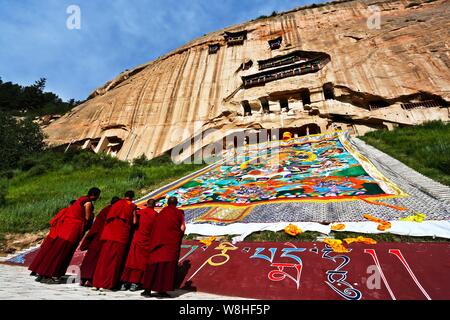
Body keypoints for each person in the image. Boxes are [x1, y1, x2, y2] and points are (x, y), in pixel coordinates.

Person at [34, 188, 101, 284]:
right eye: (98, 195)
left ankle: (44, 274)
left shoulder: (80, 199)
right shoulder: (88, 203)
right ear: (95, 195)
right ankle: (47, 275)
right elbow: (87, 218)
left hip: (65, 229)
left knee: (56, 252)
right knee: (61, 253)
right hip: (72, 231)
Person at [141, 196, 185, 298]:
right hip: (170, 245)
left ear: (167, 203)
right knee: (166, 268)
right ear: (176, 203)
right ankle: (162, 291)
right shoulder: (179, 213)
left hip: (157, 244)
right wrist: (179, 236)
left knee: (154, 266)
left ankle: (147, 290)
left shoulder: (161, 213)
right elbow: (182, 227)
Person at [92, 190, 137, 290]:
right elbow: (134, 221)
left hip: (108, 234)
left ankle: (96, 284)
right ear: (132, 197)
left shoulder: (116, 204)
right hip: (121, 235)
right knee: (114, 261)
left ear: (124, 196)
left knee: (103, 260)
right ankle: (107, 285)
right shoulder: (131, 206)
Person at [79, 196, 120, 287]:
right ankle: (89, 279)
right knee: (97, 259)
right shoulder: (112, 210)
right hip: (103, 238)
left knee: (90, 257)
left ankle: (83, 278)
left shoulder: (105, 209)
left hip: (96, 236)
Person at [28, 200, 76, 277]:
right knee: (46, 253)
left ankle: (36, 270)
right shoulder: (66, 211)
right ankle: (38, 270)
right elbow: (53, 221)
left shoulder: (68, 212)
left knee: (45, 253)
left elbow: (53, 221)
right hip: (57, 235)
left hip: (56, 235)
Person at [120, 199, 158, 291]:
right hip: (147, 241)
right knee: (140, 263)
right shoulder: (156, 215)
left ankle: (124, 283)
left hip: (136, 239)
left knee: (130, 261)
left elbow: (134, 223)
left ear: (147, 204)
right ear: (154, 205)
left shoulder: (140, 212)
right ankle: (135, 283)